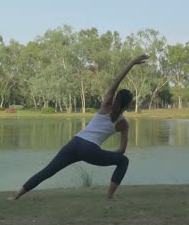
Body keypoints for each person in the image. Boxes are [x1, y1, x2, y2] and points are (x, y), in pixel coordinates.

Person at [8, 54, 149, 200]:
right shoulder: (124, 124)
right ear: (128, 105)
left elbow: (116, 81)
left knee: (48, 170)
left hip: (74, 143)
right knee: (123, 161)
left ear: (116, 98)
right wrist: (105, 154)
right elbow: (122, 151)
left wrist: (132, 62)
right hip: (91, 150)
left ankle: (16, 196)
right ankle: (110, 196)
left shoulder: (106, 104)